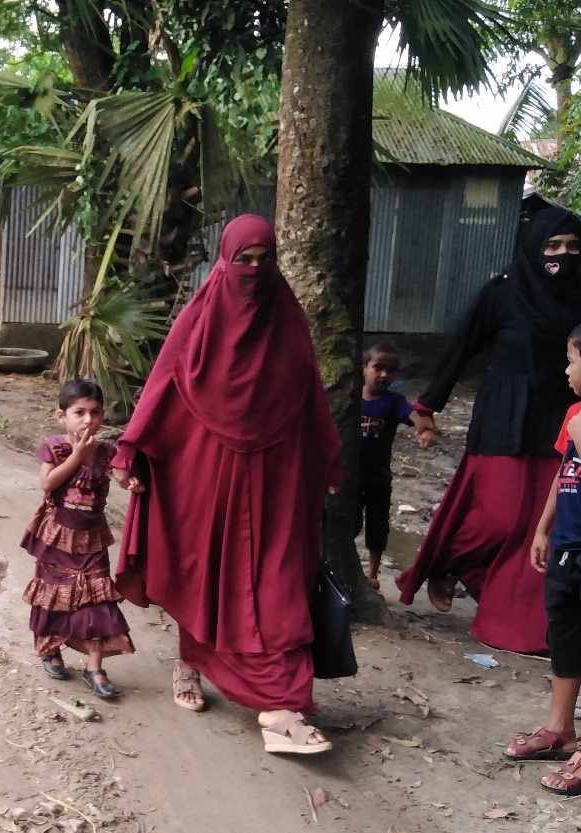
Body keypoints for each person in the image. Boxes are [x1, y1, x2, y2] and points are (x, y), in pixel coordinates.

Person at [110, 214, 343, 754]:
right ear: (225, 260)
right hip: (205, 472)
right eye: (245, 261)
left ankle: (282, 705)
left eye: (265, 260)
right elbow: (164, 381)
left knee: (277, 584)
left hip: (278, 478)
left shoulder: (287, 320)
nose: (255, 271)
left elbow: (310, 395)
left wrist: (327, 461)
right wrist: (131, 449)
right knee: (205, 574)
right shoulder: (201, 316)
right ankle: (191, 661)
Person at [396, 206, 581, 656]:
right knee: (496, 518)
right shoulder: (503, 292)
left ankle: (517, 623)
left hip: (558, 420)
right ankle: (449, 562)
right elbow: (461, 346)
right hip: (504, 414)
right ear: (533, 249)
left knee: (537, 528)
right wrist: (427, 405)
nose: (564, 255)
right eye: (553, 247)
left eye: (575, 247)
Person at [23, 379, 144, 700]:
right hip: (57, 537)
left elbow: (120, 476)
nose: (88, 419)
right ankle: (50, 649)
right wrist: (77, 456)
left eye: (95, 412)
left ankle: (94, 667)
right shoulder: (56, 447)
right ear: (62, 416)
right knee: (54, 595)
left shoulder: (106, 451)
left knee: (97, 600)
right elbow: (48, 483)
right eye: (79, 412)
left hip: (92, 539)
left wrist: (130, 481)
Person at [502, 324, 581, 795]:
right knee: (564, 637)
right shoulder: (573, 413)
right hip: (568, 547)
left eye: (573, 361)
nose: (567, 369)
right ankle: (560, 729)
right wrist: (542, 528)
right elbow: (564, 471)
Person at [358, 342, 438, 589]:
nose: (384, 374)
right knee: (346, 522)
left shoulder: (394, 402)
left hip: (378, 477)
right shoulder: (350, 397)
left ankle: (372, 575)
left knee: (378, 526)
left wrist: (424, 430)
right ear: (363, 368)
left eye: (390, 370)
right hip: (349, 475)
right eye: (377, 367)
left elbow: (414, 416)